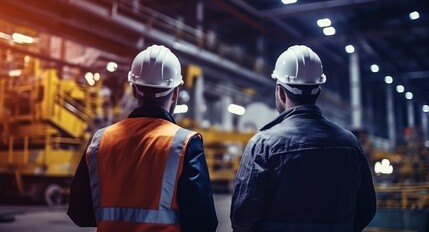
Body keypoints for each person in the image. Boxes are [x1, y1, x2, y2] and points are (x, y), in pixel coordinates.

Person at [67, 44, 218, 232]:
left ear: (134, 90)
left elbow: (80, 214)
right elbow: (204, 223)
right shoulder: (185, 143)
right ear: (176, 93)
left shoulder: (100, 140)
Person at [230, 45, 376, 232]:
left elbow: (242, 216)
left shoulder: (262, 144)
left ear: (280, 92)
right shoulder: (350, 143)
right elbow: (367, 208)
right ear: (318, 91)